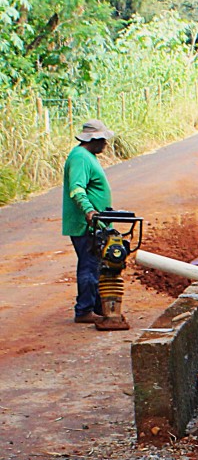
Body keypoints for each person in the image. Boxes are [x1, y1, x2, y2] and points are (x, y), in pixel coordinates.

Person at [63, 119, 113, 325]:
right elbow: (77, 188)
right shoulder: (81, 158)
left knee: (98, 265)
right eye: (103, 140)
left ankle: (96, 306)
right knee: (90, 266)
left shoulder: (87, 156)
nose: (105, 144)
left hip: (97, 224)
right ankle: (84, 310)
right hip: (87, 225)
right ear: (94, 139)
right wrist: (89, 210)